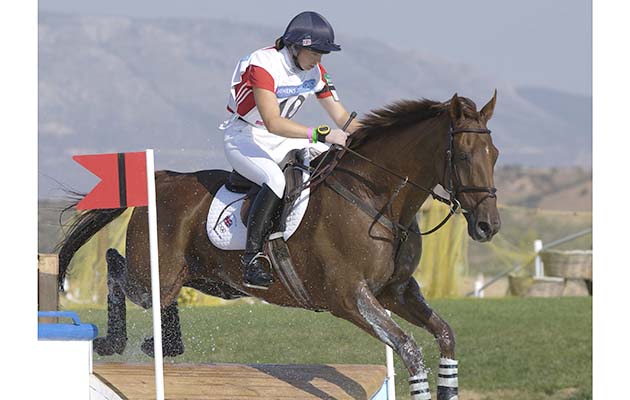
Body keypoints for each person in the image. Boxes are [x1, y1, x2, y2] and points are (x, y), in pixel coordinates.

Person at [220, 11, 361, 290]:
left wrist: (375, 137)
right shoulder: (264, 64)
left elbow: (342, 117)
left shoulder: (315, 71)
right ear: (295, 46)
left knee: (332, 161)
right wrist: (319, 133)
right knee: (275, 180)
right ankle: (252, 259)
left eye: (323, 53)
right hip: (246, 136)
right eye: (315, 52)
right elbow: (272, 122)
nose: (319, 59)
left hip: (286, 138)